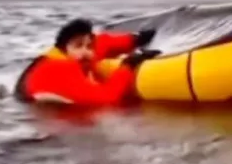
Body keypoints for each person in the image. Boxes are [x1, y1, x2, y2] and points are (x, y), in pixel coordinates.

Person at [14, 18, 161, 105]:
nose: (85, 51)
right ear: (64, 49)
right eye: (78, 45)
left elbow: (102, 43)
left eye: (88, 46)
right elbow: (106, 98)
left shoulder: (79, 54)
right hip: (28, 102)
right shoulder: (59, 70)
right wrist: (128, 66)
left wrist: (135, 40)